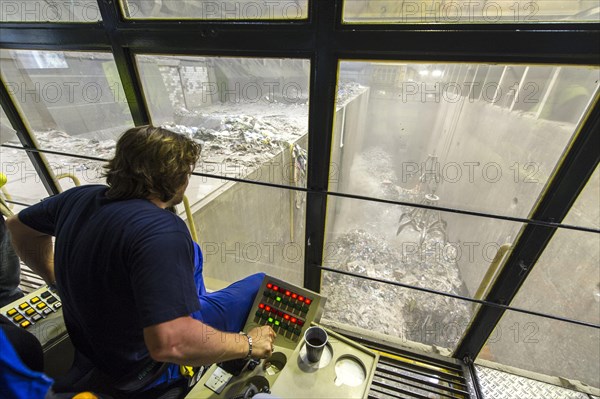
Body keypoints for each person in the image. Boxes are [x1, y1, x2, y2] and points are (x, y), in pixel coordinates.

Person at [6, 126, 275, 398]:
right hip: (147, 370)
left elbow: (17, 228)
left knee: (191, 252)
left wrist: (55, 279)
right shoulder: (163, 231)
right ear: (176, 178)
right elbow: (171, 344)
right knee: (260, 284)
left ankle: (189, 309)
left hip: (96, 348)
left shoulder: (78, 198)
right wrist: (249, 344)